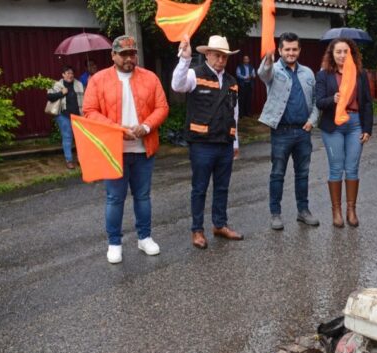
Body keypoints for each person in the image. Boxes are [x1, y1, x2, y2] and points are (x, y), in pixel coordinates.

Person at [83, 35, 169, 264]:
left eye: (132, 53)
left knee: (142, 196)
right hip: (114, 149)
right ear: (113, 56)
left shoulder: (150, 78)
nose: (129, 58)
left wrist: (146, 126)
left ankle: (144, 237)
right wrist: (118, 129)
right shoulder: (98, 80)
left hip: (143, 148)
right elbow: (89, 110)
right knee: (114, 198)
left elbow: (162, 107)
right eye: (124, 54)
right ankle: (114, 242)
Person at [173, 35, 244, 249]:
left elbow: (235, 113)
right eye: (217, 55)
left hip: (224, 142)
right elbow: (177, 85)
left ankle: (219, 225)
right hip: (202, 144)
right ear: (207, 54)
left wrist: (235, 142)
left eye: (224, 56)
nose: (221, 60)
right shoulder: (194, 74)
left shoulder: (231, 81)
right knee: (200, 188)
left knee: (222, 187)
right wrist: (184, 60)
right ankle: (197, 230)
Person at [258, 32, 320, 230]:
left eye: (294, 49)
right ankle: (275, 214)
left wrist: (312, 121)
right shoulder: (273, 70)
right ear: (280, 50)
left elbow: (316, 102)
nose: (291, 53)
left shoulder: (308, 73)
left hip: (303, 131)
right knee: (277, 174)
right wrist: (267, 61)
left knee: (303, 174)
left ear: (299, 50)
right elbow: (263, 73)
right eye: (287, 49)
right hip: (281, 132)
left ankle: (303, 211)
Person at [315, 38, 373, 228]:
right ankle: (337, 211)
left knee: (352, 168)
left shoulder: (360, 74)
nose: (342, 55)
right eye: (338, 52)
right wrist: (333, 98)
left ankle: (351, 210)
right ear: (332, 54)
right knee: (336, 168)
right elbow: (319, 102)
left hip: (355, 123)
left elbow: (366, 103)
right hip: (333, 125)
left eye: (345, 51)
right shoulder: (324, 75)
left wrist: (367, 128)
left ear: (352, 53)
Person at [47, 65, 84, 169]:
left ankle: (81, 159)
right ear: (63, 75)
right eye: (68, 73)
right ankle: (69, 160)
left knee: (80, 139)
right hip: (64, 116)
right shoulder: (57, 85)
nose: (70, 75)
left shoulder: (79, 84)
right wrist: (61, 93)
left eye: (72, 73)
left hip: (78, 116)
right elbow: (49, 96)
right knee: (67, 138)